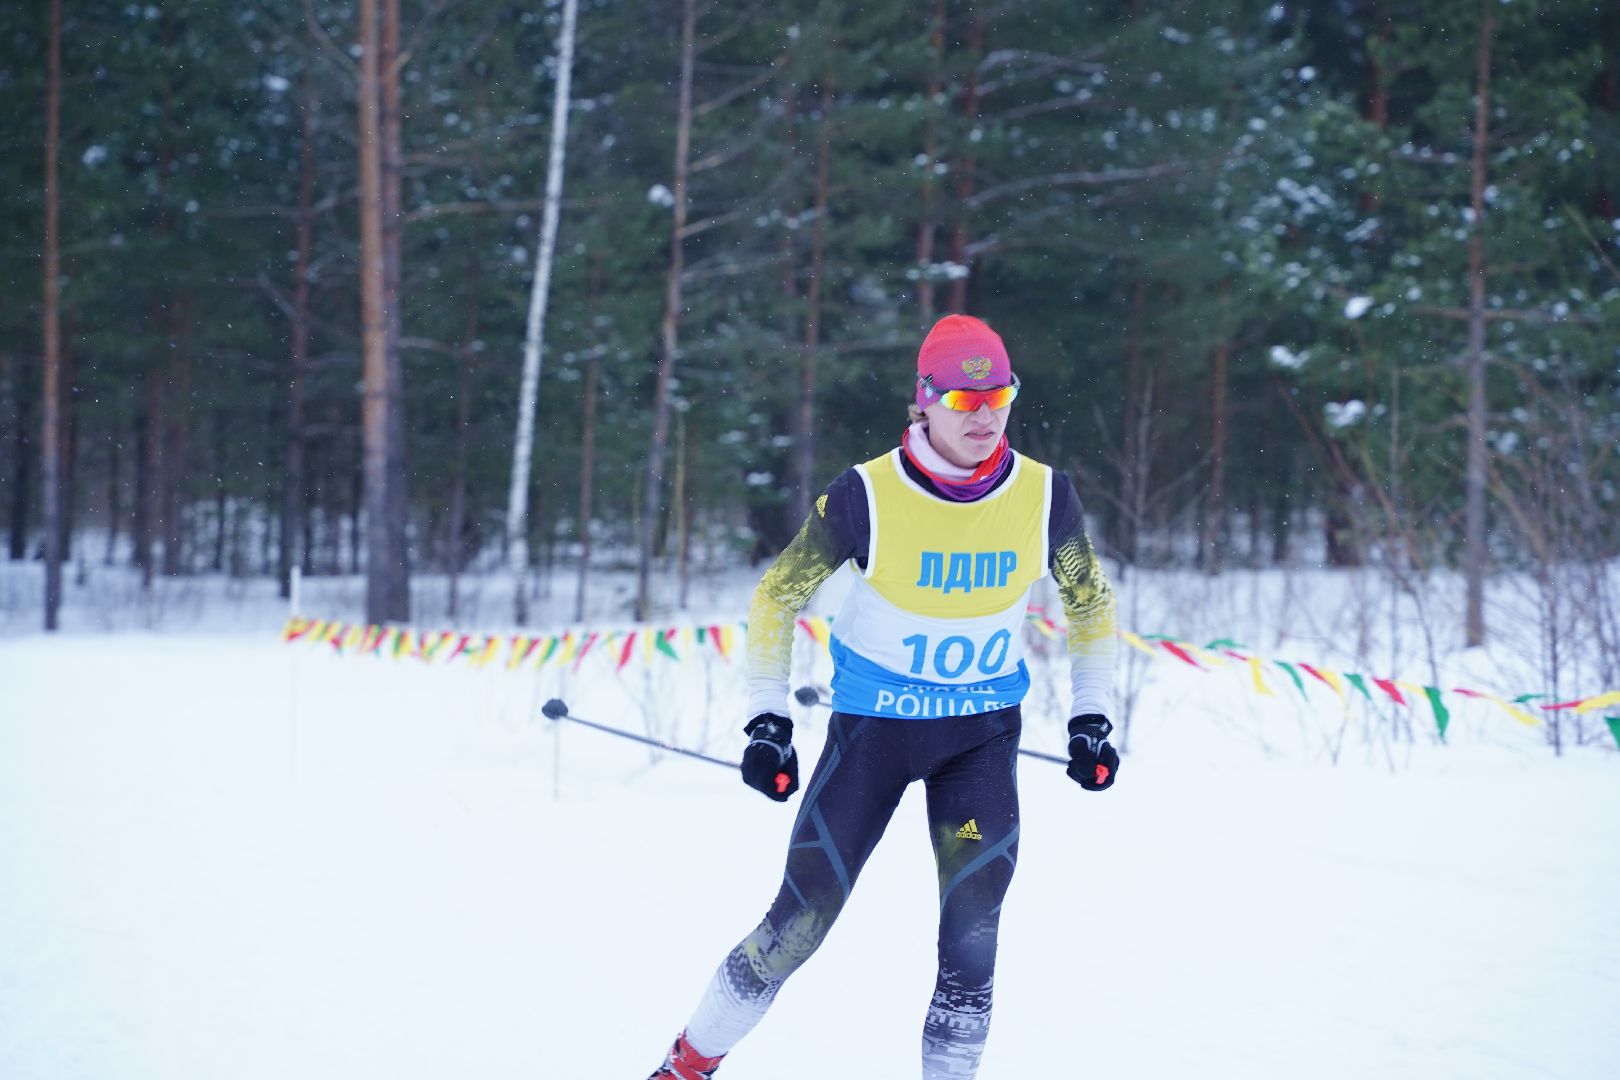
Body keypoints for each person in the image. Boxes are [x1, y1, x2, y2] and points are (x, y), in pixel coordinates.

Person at [647, 314, 1119, 1080]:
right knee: (798, 923)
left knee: (972, 944)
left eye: (999, 396)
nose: (985, 416)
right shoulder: (866, 494)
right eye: (964, 401)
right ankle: (685, 1067)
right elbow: (777, 595)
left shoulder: (1044, 496)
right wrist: (767, 719)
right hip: (874, 736)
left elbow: (1090, 603)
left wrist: (1091, 715)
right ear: (924, 401)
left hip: (979, 740)